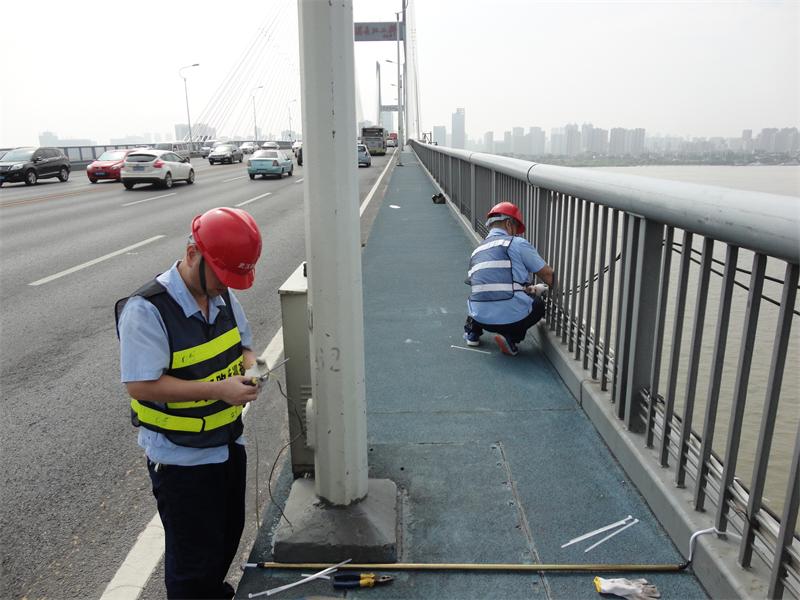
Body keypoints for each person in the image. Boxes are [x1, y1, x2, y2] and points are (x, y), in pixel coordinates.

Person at [115, 207, 263, 599]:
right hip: (182, 461)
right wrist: (220, 390)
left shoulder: (223, 296)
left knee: (225, 539)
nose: (222, 287)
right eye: (221, 276)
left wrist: (255, 367)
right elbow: (141, 386)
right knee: (192, 566)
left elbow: (243, 345)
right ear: (192, 253)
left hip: (228, 444)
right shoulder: (146, 310)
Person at [464, 201, 554, 356]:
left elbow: (491, 284)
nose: (516, 234)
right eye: (516, 230)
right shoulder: (516, 243)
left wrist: (528, 289)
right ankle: (511, 337)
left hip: (480, 316)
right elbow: (547, 275)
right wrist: (554, 290)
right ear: (508, 223)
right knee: (538, 306)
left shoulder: (477, 251)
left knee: (481, 293)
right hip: (509, 319)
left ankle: (472, 332)